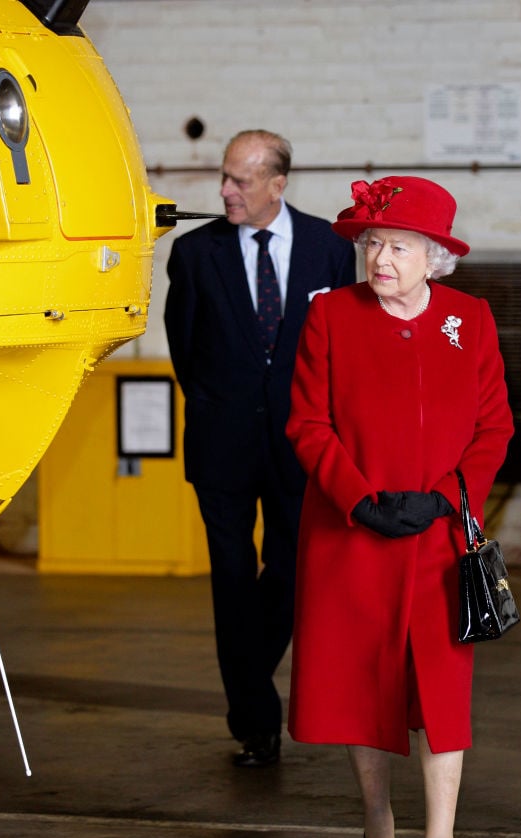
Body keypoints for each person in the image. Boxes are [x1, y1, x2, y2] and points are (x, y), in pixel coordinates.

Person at [285, 177, 514, 838]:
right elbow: (308, 424)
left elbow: (494, 428)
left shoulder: (470, 320)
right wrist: (360, 499)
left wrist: (447, 496)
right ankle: (377, 821)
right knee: (365, 683)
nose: (381, 259)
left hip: (441, 540)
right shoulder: (331, 318)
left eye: (400, 247)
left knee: (441, 693)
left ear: (435, 257)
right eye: (373, 244)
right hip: (353, 536)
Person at [164, 130, 356, 767]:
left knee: (292, 571)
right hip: (221, 445)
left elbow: (337, 350)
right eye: (224, 177)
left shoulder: (331, 248)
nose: (225, 191)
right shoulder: (195, 255)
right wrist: (226, 405)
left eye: (240, 181)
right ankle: (255, 720)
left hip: (301, 445)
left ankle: (248, 676)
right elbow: (185, 351)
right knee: (230, 577)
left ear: (278, 184)